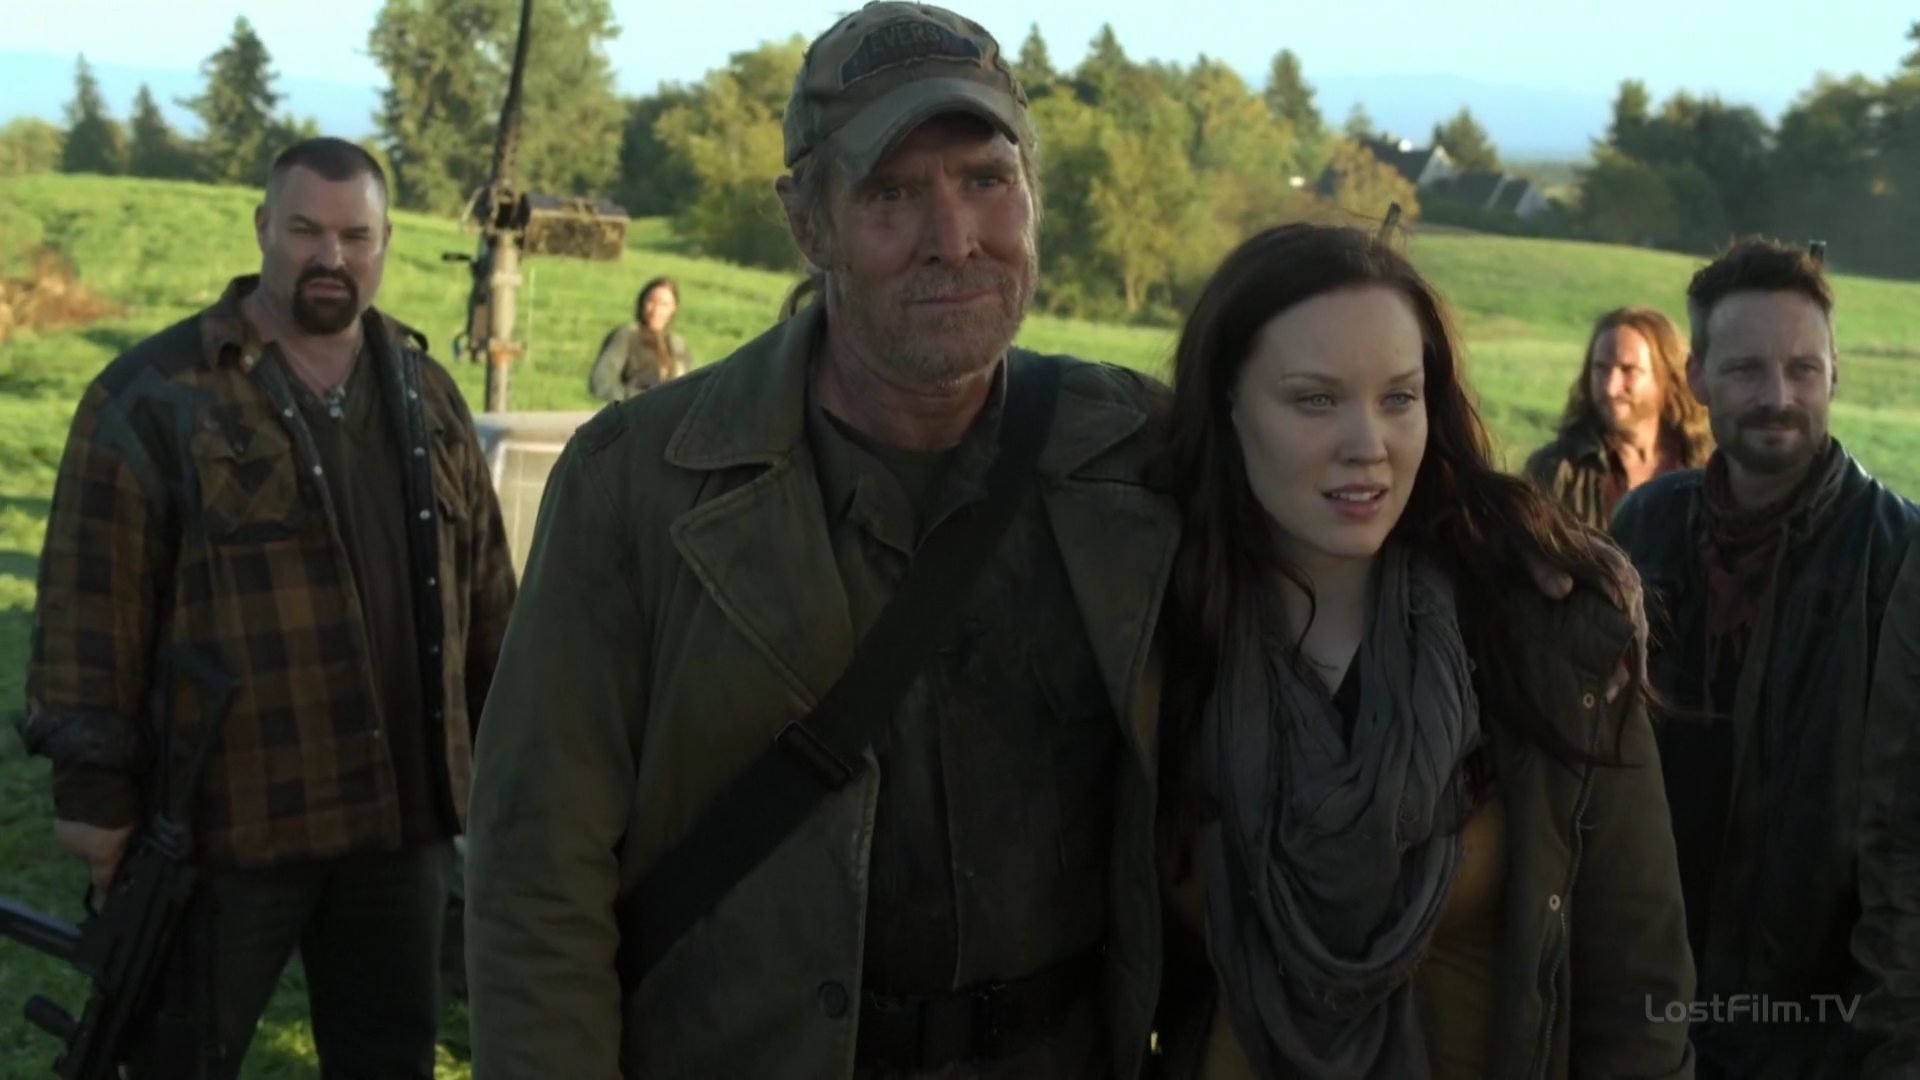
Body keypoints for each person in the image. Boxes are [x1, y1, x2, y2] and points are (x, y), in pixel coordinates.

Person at [460, 5, 1642, 1077]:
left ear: (1033, 193)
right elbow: (535, 881)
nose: (954, 236)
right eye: (892, 194)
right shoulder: (645, 486)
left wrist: (1530, 563)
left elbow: (1354, 491)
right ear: (806, 220)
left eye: (987, 181)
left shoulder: (1132, 449)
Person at [17, 136, 517, 1078]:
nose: (332, 257)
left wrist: (512, 766)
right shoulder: (156, 395)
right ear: (262, 230)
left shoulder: (428, 395)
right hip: (228, 824)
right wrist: (93, 800)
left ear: (385, 243)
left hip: (400, 823)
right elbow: (90, 607)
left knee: (390, 1062)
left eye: (355, 236)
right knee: (176, 1061)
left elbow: (490, 600)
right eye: (305, 231)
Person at [1151, 223, 1696, 1080]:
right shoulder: (1157, 632)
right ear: (1227, 402)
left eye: (1398, 398)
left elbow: (1639, 989)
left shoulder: (1542, 634)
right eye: (1315, 400)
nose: (1368, 443)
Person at [1611, 237, 1920, 1078]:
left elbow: (1906, 843)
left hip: (1822, 1029)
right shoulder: (1645, 527)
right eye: (1747, 370)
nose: (1778, 397)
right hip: (1654, 1001)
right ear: (1698, 378)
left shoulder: (1897, 560)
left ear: (1834, 374)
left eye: (1802, 369)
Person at [1523, 306, 1712, 529]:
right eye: (1601, 369)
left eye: (1628, 370)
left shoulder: (1709, 466)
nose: (1610, 388)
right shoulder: (1555, 472)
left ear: (1668, 377)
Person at [586, 275, 694, 402]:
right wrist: (641, 400)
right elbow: (601, 383)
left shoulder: (678, 345)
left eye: (664, 305)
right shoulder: (626, 336)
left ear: (673, 308)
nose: (656, 310)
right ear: (642, 303)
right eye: (651, 302)